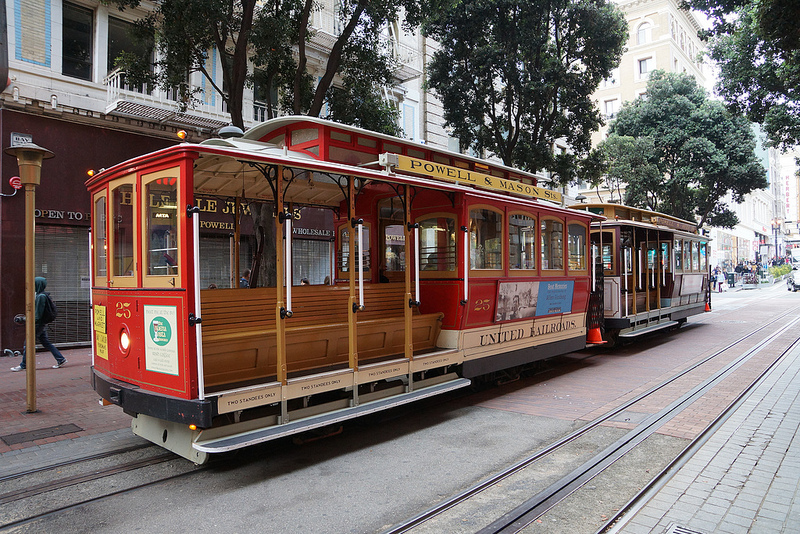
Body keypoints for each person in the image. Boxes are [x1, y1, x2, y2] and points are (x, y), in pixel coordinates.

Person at [10, 277, 67, 371]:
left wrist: (28, 321)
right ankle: (60, 359)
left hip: (38, 324)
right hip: (41, 324)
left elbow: (38, 314)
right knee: (46, 342)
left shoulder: (41, 297)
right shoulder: (42, 295)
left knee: (27, 344)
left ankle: (24, 365)